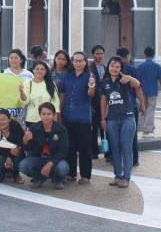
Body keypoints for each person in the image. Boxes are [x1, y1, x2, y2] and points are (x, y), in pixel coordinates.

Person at [100, 56, 146, 188]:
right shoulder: (105, 83)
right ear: (108, 67)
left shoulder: (125, 80)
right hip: (112, 119)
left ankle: (126, 177)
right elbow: (103, 101)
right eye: (112, 66)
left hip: (128, 118)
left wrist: (130, 78)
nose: (114, 69)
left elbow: (138, 86)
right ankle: (117, 176)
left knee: (126, 148)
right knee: (115, 148)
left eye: (117, 66)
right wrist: (103, 119)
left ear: (121, 68)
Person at [58, 51, 96, 183]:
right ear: (72, 62)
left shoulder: (89, 76)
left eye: (81, 60)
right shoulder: (67, 76)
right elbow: (62, 94)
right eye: (75, 60)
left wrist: (92, 85)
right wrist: (59, 112)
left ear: (85, 62)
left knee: (85, 147)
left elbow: (91, 94)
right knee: (70, 147)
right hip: (68, 116)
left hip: (83, 118)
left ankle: (85, 175)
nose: (78, 63)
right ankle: (71, 173)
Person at [19, 103, 70, 189]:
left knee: (62, 168)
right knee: (23, 166)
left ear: (53, 115)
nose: (46, 116)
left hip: (56, 160)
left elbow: (63, 151)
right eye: (43, 114)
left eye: (49, 114)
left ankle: (58, 179)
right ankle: (39, 178)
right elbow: (28, 149)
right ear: (40, 115)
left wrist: (50, 163)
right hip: (40, 158)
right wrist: (25, 141)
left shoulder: (61, 129)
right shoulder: (34, 128)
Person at [136, 46, 161, 138]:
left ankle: (149, 127)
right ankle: (147, 131)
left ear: (144, 55)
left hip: (142, 92)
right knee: (150, 111)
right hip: (152, 92)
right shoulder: (156, 66)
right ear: (153, 55)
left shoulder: (140, 67)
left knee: (144, 110)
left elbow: (136, 81)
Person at [19, 60, 61, 129]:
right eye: (37, 69)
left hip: (48, 120)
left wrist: (55, 119)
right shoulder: (28, 83)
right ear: (33, 70)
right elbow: (24, 101)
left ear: (46, 71)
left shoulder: (51, 84)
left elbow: (55, 103)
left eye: (42, 69)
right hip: (32, 120)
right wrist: (21, 91)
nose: (39, 71)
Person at [116, 47, 140, 166]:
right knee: (132, 135)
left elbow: (137, 86)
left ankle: (118, 159)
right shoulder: (132, 69)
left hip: (119, 106)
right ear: (127, 57)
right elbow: (138, 89)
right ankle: (133, 159)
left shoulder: (113, 68)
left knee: (118, 134)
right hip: (130, 105)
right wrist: (143, 104)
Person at [0, 108, 25, 184]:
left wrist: (10, 157)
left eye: (4, 119)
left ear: (9, 119)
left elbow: (21, 144)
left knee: (17, 155)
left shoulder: (17, 129)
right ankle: (0, 175)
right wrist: (8, 155)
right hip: (2, 153)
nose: (1, 122)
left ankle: (17, 175)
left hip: (15, 153)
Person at [89, 44, 107, 158]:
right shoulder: (89, 68)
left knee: (105, 127)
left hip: (105, 101)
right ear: (93, 55)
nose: (99, 56)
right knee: (93, 128)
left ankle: (107, 153)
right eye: (97, 53)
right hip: (93, 102)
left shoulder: (106, 68)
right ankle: (94, 152)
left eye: (101, 53)